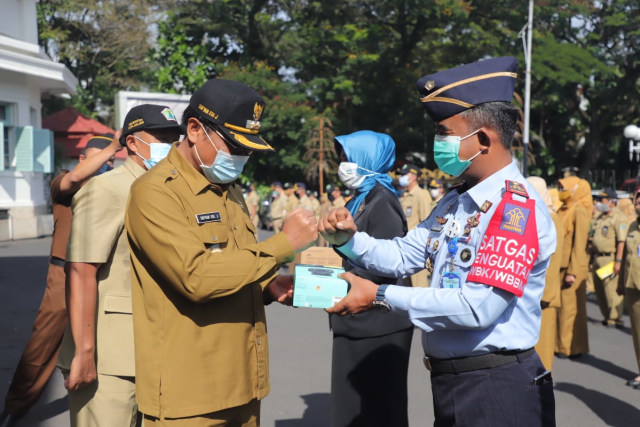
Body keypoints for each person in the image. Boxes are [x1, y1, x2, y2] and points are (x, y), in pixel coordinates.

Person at [320, 57, 556, 426]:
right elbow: (402, 255)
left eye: (445, 132)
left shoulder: (515, 210)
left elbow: (478, 308)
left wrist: (379, 295)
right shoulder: (456, 199)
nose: (438, 143)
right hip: (454, 382)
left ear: (482, 139)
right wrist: (350, 241)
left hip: (495, 387)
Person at [124, 79, 318, 426]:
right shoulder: (155, 193)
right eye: (234, 146)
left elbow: (234, 261)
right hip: (190, 396)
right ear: (195, 130)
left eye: (248, 150)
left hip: (243, 382)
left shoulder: (227, 190)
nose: (242, 158)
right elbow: (196, 277)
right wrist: (283, 244)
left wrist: (267, 284)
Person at [58, 104, 182, 427]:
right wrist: (85, 353)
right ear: (132, 144)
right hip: (107, 355)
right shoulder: (107, 188)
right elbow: (81, 269)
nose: (169, 144)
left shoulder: (171, 190)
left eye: (173, 137)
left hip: (158, 348)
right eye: (160, 137)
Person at [0, 134, 121, 426]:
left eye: (110, 161)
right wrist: (113, 148)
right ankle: (14, 408)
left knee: (105, 345)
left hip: (103, 274)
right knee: (41, 349)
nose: (106, 165)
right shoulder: (65, 183)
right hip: (64, 275)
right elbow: (76, 178)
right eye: (101, 159)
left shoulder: (112, 190)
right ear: (84, 159)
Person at [329, 130, 413, 427]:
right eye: (341, 158)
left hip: (378, 321)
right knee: (351, 403)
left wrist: (337, 277)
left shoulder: (382, 201)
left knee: (377, 408)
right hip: (358, 316)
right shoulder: (360, 199)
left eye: (347, 158)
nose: (342, 164)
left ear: (368, 159)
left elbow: (388, 262)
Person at [528, 177, 564, 372]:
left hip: (543, 291)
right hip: (535, 289)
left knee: (543, 344)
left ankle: (542, 381)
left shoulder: (550, 218)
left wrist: (543, 291)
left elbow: (554, 258)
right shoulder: (539, 214)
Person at [555, 176, 591, 358]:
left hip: (571, 267)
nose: (561, 192)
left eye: (564, 188)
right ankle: (561, 344)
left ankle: (570, 347)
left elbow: (580, 244)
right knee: (560, 309)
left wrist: (573, 271)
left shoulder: (580, 211)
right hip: (559, 266)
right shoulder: (563, 209)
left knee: (569, 310)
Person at [591, 188, 628, 328]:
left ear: (613, 202)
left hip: (610, 258)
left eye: (603, 199)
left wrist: (618, 261)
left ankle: (615, 317)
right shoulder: (601, 217)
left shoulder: (619, 217)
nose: (600, 202)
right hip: (598, 258)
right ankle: (607, 316)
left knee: (611, 289)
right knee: (600, 291)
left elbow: (621, 241)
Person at [618, 191, 640, 389]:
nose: (639, 201)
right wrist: (620, 283)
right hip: (633, 286)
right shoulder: (633, 226)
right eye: (637, 197)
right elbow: (626, 256)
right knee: (638, 333)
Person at [398, 163, 433, 287]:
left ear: (413, 176)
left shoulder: (421, 194)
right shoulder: (404, 195)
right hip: (404, 245)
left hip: (416, 248)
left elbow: (427, 221)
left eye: (404, 175)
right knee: (406, 286)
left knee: (419, 286)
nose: (401, 177)